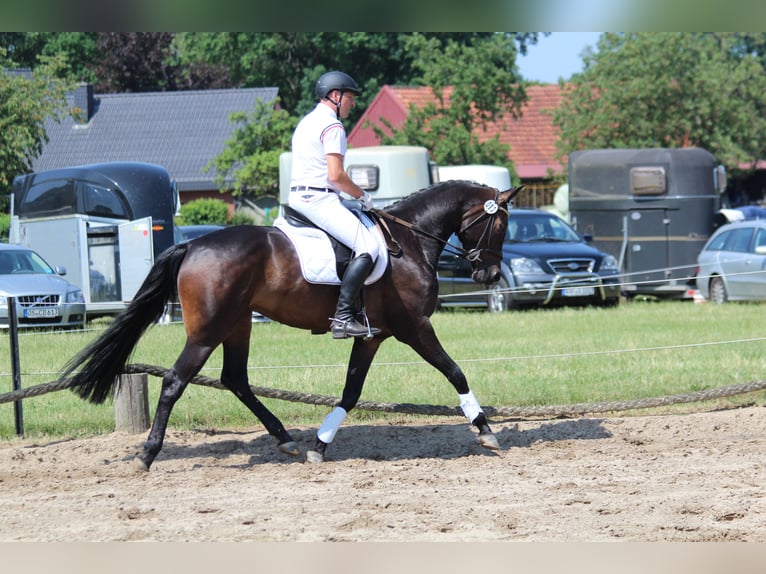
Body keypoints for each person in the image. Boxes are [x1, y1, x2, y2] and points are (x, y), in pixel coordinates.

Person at [288, 70, 381, 339]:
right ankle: (342, 317)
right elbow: (336, 175)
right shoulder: (333, 126)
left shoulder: (306, 122)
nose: (353, 103)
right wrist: (363, 196)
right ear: (336, 96)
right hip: (319, 198)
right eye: (350, 98)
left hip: (298, 197)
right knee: (369, 246)